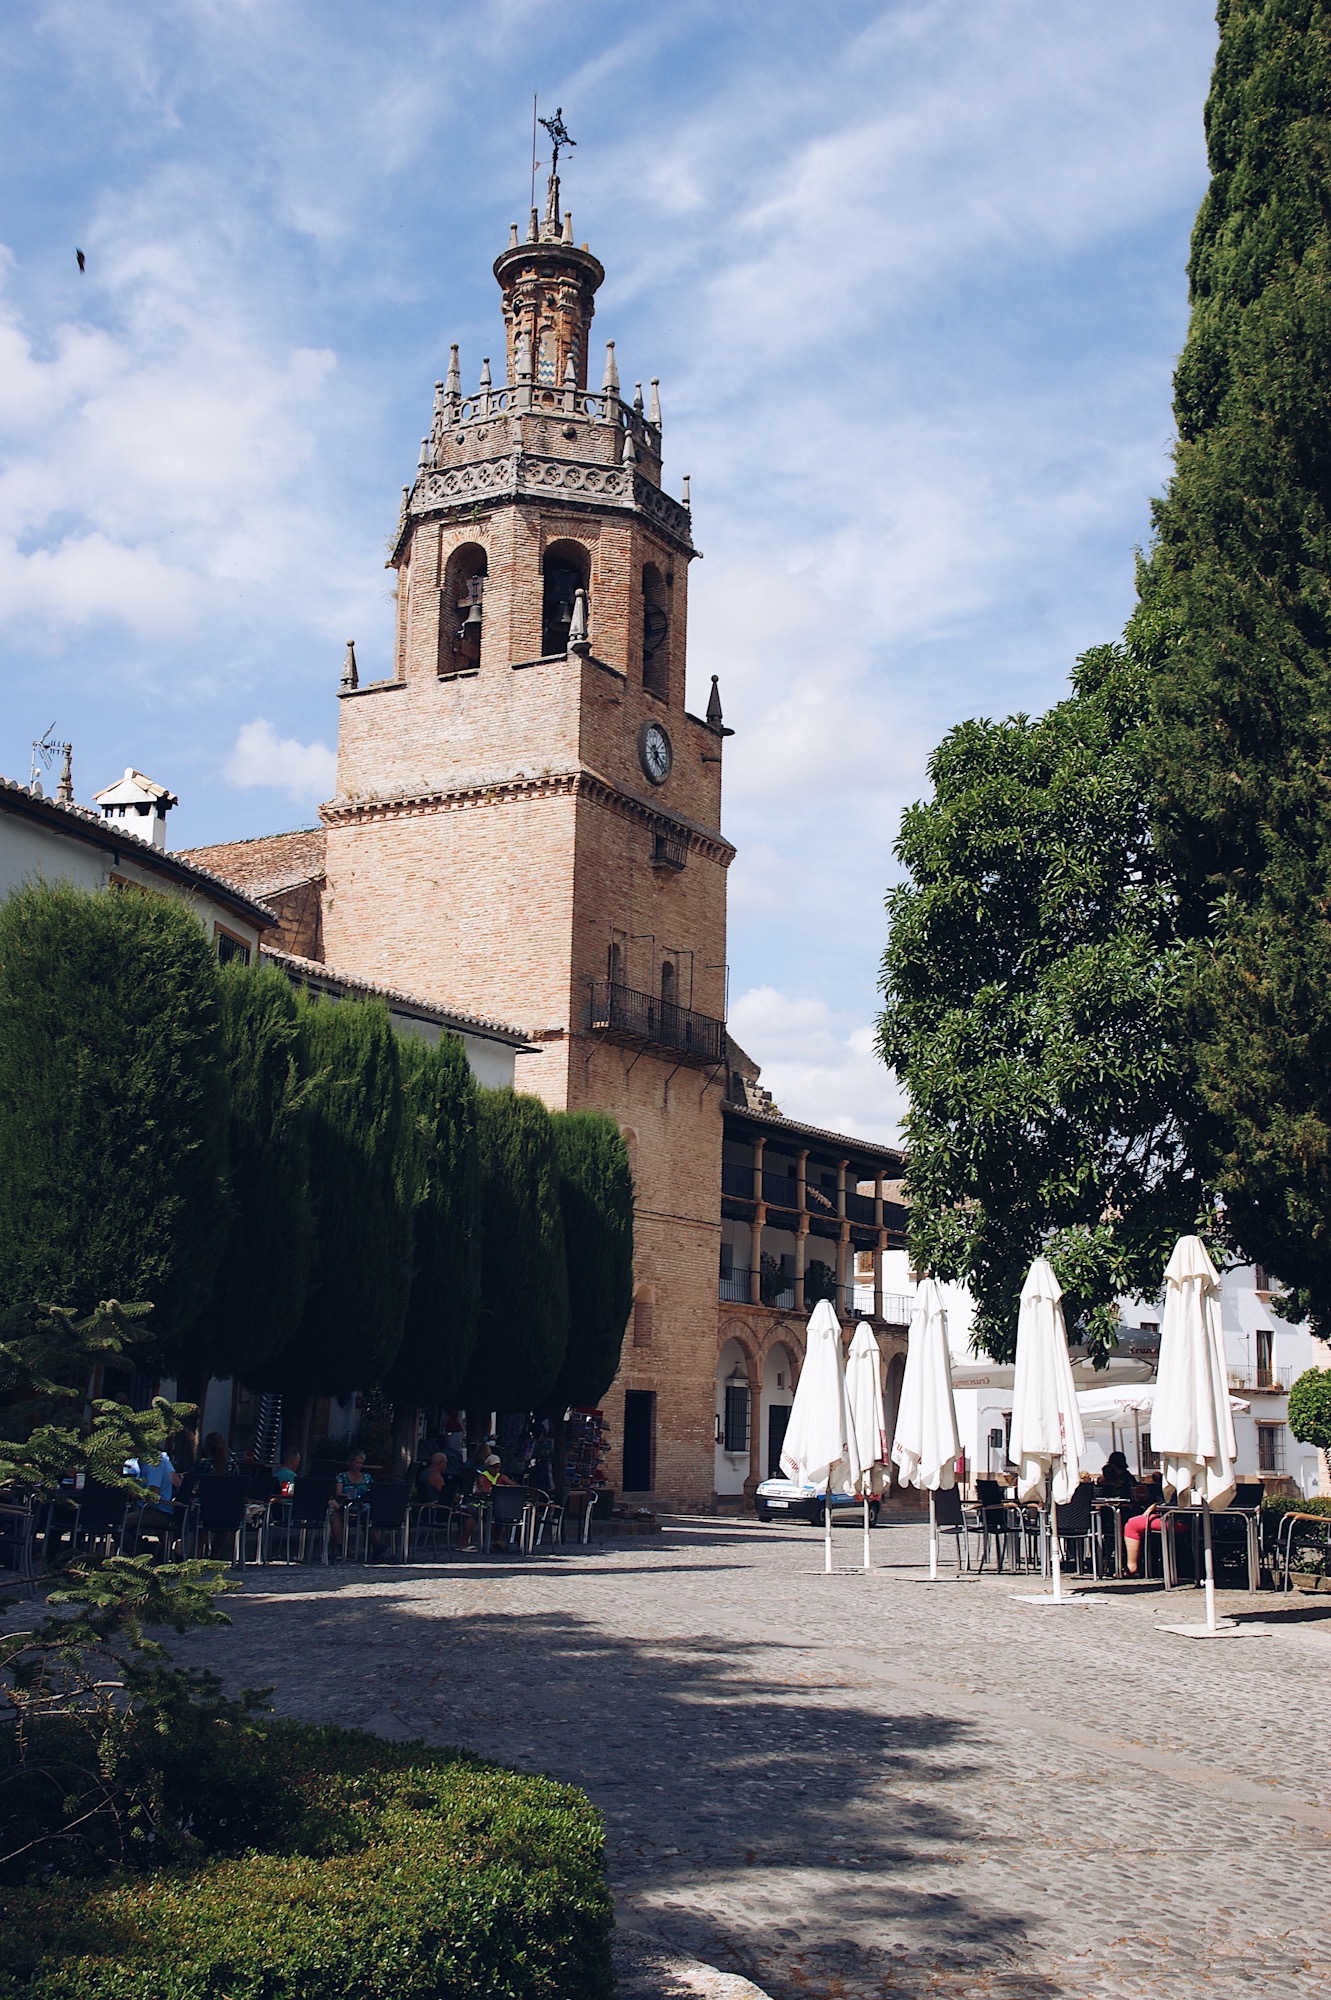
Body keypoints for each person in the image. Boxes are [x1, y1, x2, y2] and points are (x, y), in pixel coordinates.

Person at [330, 1450, 374, 1557]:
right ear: (350, 1463)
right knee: (335, 1517)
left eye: (361, 1463)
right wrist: (350, 1496)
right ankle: (342, 1548)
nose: (359, 1465)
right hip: (347, 1505)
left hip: (363, 1505)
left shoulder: (367, 1477)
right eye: (356, 1462)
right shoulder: (342, 1476)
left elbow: (372, 1491)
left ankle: (377, 1545)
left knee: (369, 1515)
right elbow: (338, 1492)